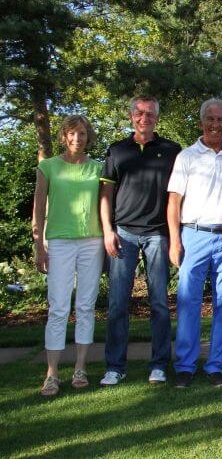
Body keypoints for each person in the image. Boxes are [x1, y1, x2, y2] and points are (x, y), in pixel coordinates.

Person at [99, 96, 181, 386]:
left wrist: (176, 236)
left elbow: (178, 195)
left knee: (159, 302)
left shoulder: (172, 150)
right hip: (123, 234)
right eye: (139, 113)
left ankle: (159, 364)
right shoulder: (117, 150)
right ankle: (115, 366)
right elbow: (105, 196)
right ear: (131, 116)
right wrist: (107, 230)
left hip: (158, 233)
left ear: (157, 117)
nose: (144, 118)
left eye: (150, 113)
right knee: (118, 303)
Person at [166, 98, 222, 388]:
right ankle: (185, 366)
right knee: (189, 302)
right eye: (210, 119)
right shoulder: (186, 156)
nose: (215, 124)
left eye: (220, 120)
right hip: (194, 235)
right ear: (201, 122)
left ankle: (216, 366)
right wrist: (174, 241)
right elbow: (173, 202)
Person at [32, 115, 106, 396]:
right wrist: (39, 245)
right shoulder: (48, 166)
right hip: (59, 242)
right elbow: (39, 207)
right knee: (59, 307)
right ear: (64, 136)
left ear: (88, 137)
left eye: (82, 133)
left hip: (92, 242)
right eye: (72, 133)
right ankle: (51, 373)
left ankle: (80, 367)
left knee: (86, 306)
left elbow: (105, 205)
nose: (77, 138)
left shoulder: (98, 168)